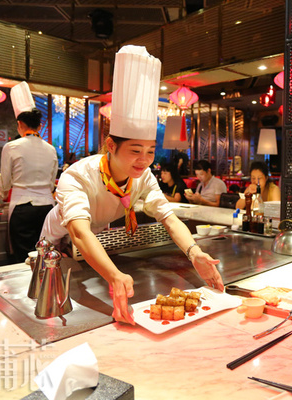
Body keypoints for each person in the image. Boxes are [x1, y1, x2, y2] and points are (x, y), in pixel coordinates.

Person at [40, 45, 223, 325]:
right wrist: (115, 275)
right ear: (111, 145)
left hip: (91, 247)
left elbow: (169, 218)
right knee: (51, 313)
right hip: (53, 246)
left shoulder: (143, 176)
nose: (144, 160)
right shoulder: (78, 176)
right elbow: (78, 232)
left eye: (150, 151)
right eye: (135, 151)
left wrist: (194, 252)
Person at [0, 81, 58, 262]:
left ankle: (25, 288)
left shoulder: (12, 147)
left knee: (23, 255)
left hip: (23, 208)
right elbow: (52, 180)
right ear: (39, 126)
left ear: (20, 124)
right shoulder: (51, 149)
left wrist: (1, 193)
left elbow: (5, 182)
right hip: (47, 207)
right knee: (45, 254)